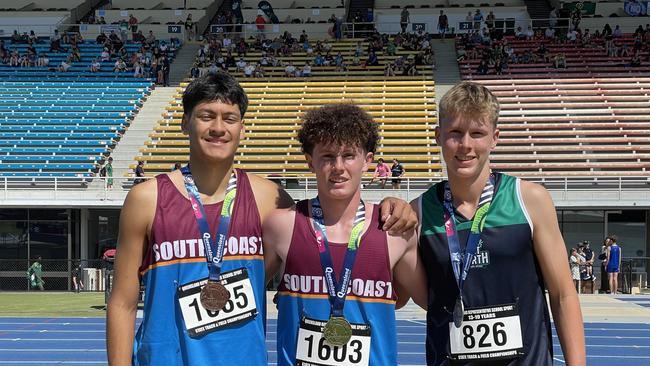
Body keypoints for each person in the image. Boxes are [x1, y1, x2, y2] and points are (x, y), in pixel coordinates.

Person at [106, 73, 416, 365]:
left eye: (229, 118)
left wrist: (391, 204)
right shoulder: (147, 198)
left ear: (242, 127)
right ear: (185, 123)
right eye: (206, 116)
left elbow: (332, 240)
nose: (218, 127)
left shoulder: (271, 199)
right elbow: (122, 302)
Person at [413, 82, 586, 365]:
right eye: (455, 133)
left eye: (477, 134)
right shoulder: (420, 212)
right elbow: (408, 297)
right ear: (438, 136)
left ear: (495, 138)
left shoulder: (529, 201)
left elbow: (563, 294)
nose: (466, 145)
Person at [263, 103, 427, 366]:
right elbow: (244, 295)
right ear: (309, 161)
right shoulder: (281, 226)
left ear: (368, 161)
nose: (338, 166)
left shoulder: (394, 231)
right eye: (327, 156)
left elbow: (436, 301)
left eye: (349, 155)